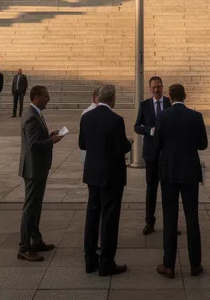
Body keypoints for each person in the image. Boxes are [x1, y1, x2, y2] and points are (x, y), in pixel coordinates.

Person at [154, 83, 206, 279]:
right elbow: (203, 145)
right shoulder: (196, 116)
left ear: (169, 96)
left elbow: (157, 143)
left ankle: (169, 265)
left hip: (169, 172)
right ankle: (195, 264)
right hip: (190, 173)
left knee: (170, 218)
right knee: (192, 217)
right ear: (185, 96)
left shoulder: (163, 116)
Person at [79, 83, 130, 276]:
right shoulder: (116, 120)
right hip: (112, 176)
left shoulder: (86, 117)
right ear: (113, 99)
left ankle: (89, 260)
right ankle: (106, 262)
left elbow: (82, 143)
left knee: (92, 216)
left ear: (98, 98)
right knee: (109, 219)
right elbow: (120, 148)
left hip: (92, 174)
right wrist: (129, 144)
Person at [18, 84, 65, 261]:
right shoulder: (31, 116)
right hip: (33, 169)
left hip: (38, 167)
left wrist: (48, 135)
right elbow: (33, 145)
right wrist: (51, 141)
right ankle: (24, 247)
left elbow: (37, 139)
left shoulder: (35, 113)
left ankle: (36, 240)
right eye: (46, 96)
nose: (48, 98)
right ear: (36, 97)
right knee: (30, 208)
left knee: (36, 206)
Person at [133, 75, 171, 234]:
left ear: (163, 87)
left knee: (169, 189)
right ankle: (150, 220)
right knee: (151, 189)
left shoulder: (169, 103)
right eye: (154, 87)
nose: (156, 89)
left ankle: (170, 222)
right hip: (151, 153)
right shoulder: (145, 105)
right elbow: (137, 126)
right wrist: (149, 130)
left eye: (159, 86)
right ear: (150, 88)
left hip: (168, 153)